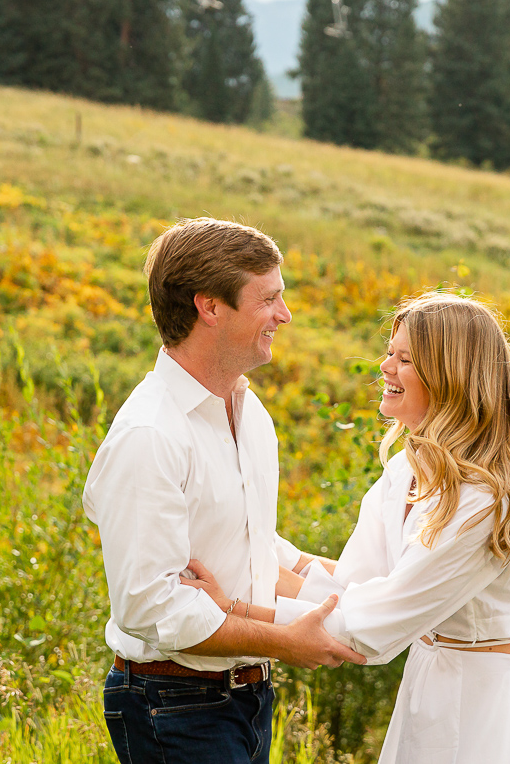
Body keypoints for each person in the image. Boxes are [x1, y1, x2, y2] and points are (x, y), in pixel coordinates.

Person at [182, 290, 510, 764]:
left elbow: (373, 625)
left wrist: (238, 612)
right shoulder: (408, 471)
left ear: (450, 376)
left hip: (487, 707)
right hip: (430, 684)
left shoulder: (483, 500)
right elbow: (356, 587)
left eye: (405, 358)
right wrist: (239, 538)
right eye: (390, 352)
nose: (386, 367)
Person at [83, 218, 364, 764]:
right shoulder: (151, 434)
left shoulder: (247, 409)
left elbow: (248, 540)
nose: (284, 315)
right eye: (269, 300)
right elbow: (148, 606)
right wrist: (284, 642)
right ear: (210, 307)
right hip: (174, 703)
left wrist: (345, 588)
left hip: (245, 698)